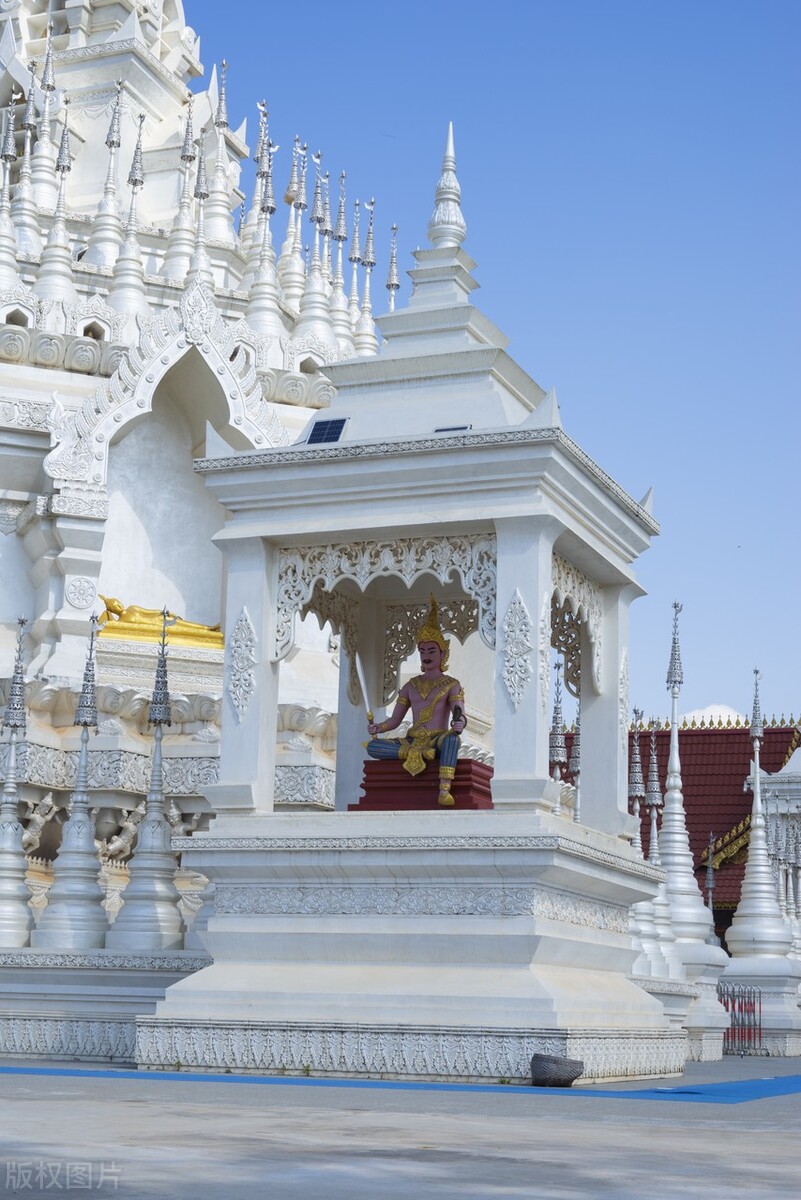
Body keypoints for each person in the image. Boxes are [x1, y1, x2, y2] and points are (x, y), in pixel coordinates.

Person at [366, 597, 466, 807]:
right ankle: (415, 752)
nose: (426, 656)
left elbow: (459, 712)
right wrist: (379, 727)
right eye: (422, 652)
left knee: (452, 742)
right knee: (373, 747)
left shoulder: (452, 684)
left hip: (436, 740)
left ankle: (444, 788)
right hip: (412, 740)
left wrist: (459, 723)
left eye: (431, 651)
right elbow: (395, 720)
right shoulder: (410, 686)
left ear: (443, 653)